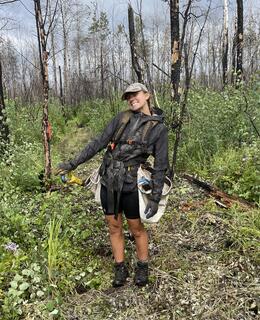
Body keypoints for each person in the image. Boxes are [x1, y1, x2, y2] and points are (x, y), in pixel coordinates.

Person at [56, 83, 169, 287]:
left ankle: (142, 266)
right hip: (109, 179)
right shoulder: (121, 118)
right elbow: (98, 142)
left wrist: (155, 197)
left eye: (135, 94)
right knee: (114, 226)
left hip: (131, 183)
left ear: (147, 95)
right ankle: (120, 267)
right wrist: (72, 164)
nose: (131, 98)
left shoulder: (158, 129)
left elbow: (161, 166)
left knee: (136, 228)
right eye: (128, 96)